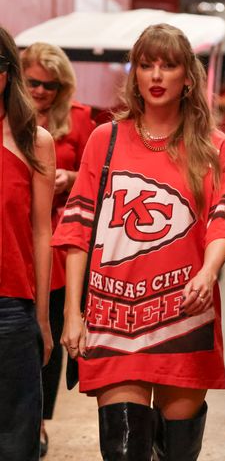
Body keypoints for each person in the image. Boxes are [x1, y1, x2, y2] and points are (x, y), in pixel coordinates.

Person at [52, 23, 225, 460]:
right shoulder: (104, 140)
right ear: (136, 75)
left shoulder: (212, 146)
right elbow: (77, 228)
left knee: (178, 452)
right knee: (123, 451)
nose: (157, 75)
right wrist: (72, 313)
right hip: (112, 315)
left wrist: (208, 270)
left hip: (184, 313)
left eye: (169, 65)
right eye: (147, 65)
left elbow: (224, 220)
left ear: (188, 76)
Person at [20, 42, 96, 457]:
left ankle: (41, 421)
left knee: (45, 336)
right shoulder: (13, 117)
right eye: (33, 82)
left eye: (51, 84)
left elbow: (94, 174)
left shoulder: (81, 119)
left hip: (60, 241)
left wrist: (67, 177)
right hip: (16, 235)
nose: (42, 90)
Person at [0, 27, 55, 460]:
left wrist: (42, 319)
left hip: (11, 307)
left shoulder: (32, 140)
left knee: (17, 439)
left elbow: (42, 231)